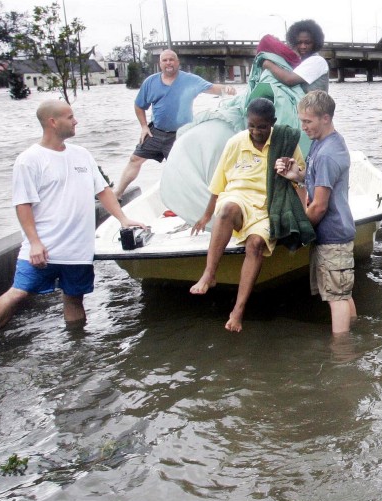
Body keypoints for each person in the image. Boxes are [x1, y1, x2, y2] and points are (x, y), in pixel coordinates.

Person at [0, 100, 146, 349]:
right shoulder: (29, 160)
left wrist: (123, 219)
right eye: (70, 117)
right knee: (17, 293)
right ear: (53, 122)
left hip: (78, 250)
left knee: (74, 299)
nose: (76, 121)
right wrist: (35, 243)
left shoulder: (81, 154)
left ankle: (77, 348)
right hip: (44, 247)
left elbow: (103, 191)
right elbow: (23, 205)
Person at [189, 98, 305, 332]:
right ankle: (209, 274)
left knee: (255, 244)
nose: (255, 131)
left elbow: (302, 179)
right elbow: (218, 183)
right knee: (227, 210)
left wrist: (303, 214)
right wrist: (205, 216)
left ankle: (238, 310)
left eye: (261, 127)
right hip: (238, 199)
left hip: (267, 205)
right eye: (251, 125)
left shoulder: (285, 143)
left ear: (272, 123)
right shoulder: (236, 143)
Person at [276, 91, 356, 334]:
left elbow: (320, 205)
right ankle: (355, 334)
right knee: (342, 292)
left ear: (325, 118)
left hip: (333, 238)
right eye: (301, 121)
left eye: (308, 122)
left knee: (336, 298)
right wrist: (298, 176)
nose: (303, 127)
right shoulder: (323, 143)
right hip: (335, 235)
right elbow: (316, 182)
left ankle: (341, 353)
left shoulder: (328, 154)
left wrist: (300, 231)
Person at [113, 49, 236, 200]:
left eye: (171, 60)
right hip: (155, 132)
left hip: (179, 135)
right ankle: (117, 193)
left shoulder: (189, 80)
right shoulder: (150, 82)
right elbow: (139, 106)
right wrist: (144, 126)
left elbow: (211, 88)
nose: (168, 63)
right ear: (160, 64)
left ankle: (196, 201)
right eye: (165, 60)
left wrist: (226, 89)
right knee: (135, 159)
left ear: (177, 63)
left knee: (185, 170)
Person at [260, 20, 329, 93]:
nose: (303, 46)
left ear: (315, 43)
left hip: (315, 104)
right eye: (299, 42)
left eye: (307, 43)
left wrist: (267, 64)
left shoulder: (317, 61)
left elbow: (289, 80)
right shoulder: (300, 62)